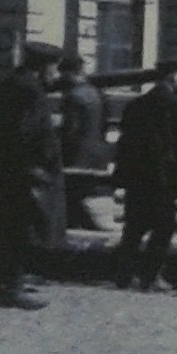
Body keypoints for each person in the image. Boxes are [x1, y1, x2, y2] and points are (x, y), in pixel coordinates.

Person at [0, 40, 68, 308]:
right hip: (20, 175)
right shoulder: (30, 91)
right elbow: (24, 134)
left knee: (10, 229)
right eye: (54, 68)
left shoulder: (14, 84)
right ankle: (7, 290)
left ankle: (5, 286)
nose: (55, 74)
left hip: (6, 171)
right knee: (17, 231)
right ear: (43, 67)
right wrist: (38, 163)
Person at [114, 58, 177, 293]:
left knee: (134, 227)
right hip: (163, 178)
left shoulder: (137, 104)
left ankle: (123, 275)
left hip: (137, 177)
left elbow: (124, 144)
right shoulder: (175, 105)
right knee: (164, 227)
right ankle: (150, 276)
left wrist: (122, 175)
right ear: (173, 77)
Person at [57, 51, 111, 230]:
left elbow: (70, 132)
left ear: (68, 73)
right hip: (96, 156)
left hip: (76, 157)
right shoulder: (97, 94)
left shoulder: (73, 97)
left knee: (71, 199)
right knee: (81, 200)